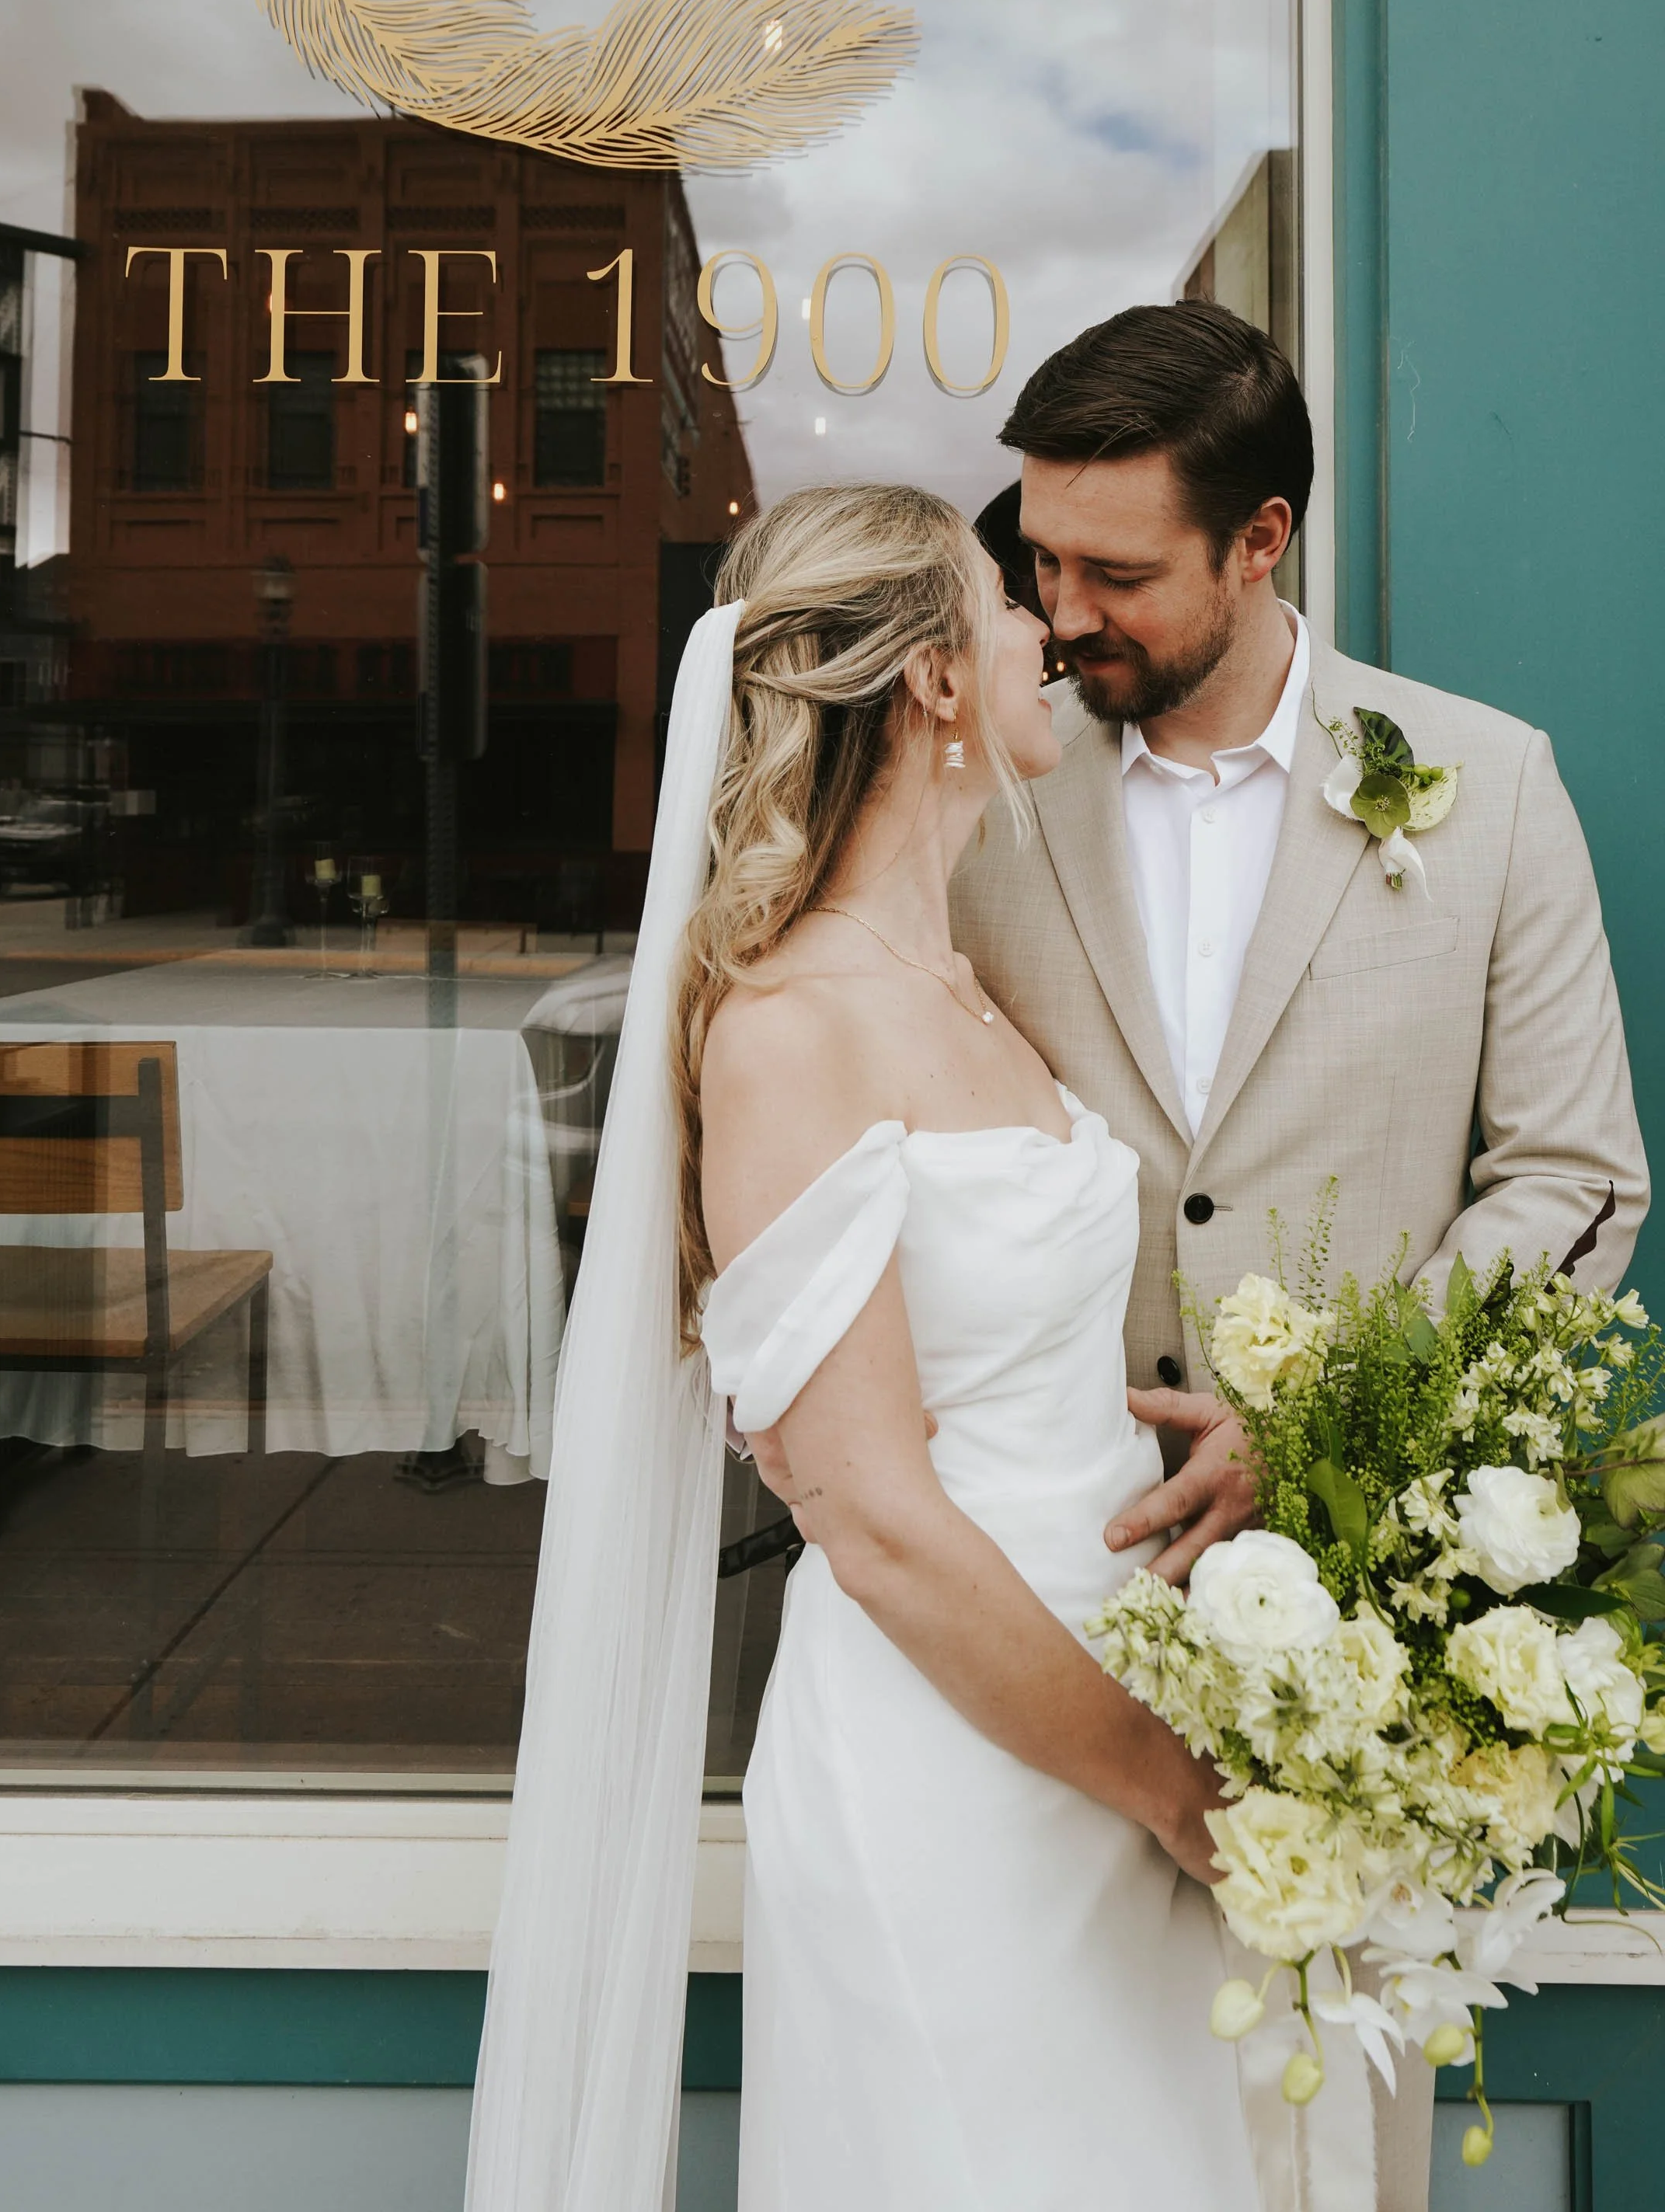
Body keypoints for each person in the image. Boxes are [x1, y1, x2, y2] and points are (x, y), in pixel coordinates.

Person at [465, 482, 1259, 2212]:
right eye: (1003, 600)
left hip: (1107, 1744)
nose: (1046, 627)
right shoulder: (792, 1026)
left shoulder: (969, 985)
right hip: (962, 1777)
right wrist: (1166, 1784)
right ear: (936, 687)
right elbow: (873, 1513)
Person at [949, 299, 1651, 2212]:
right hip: (1033, 1594)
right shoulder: (977, 796)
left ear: (1261, 545)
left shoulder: (1488, 787)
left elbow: (1579, 1180)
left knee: (1317, 2150)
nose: (1057, 611)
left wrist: (1335, 1415)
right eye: (1037, 560)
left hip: (1362, 1619)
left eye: (1116, 571)